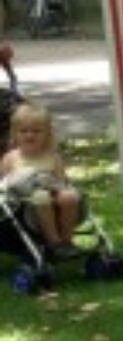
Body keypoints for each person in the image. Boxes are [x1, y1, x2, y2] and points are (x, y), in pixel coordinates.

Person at [2, 101, 81, 256]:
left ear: (47, 134)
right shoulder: (11, 158)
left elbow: (61, 183)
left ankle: (67, 241)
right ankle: (54, 242)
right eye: (24, 131)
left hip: (54, 195)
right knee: (41, 196)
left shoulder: (53, 157)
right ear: (15, 134)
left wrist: (59, 190)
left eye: (36, 131)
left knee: (69, 196)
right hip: (24, 205)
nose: (30, 135)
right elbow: (4, 187)